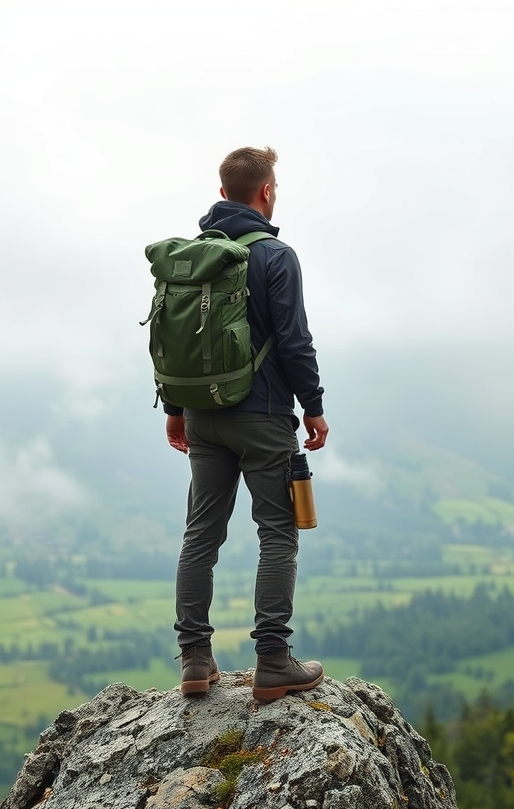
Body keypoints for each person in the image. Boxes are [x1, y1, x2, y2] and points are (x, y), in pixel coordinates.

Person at [164, 146, 328, 702]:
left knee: (201, 535)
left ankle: (194, 659)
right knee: (277, 535)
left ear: (220, 194)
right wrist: (314, 404)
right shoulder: (276, 256)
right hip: (262, 416)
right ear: (265, 192)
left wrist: (175, 409)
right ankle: (273, 661)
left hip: (203, 417)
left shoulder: (192, 258)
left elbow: (174, 342)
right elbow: (293, 339)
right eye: (274, 186)